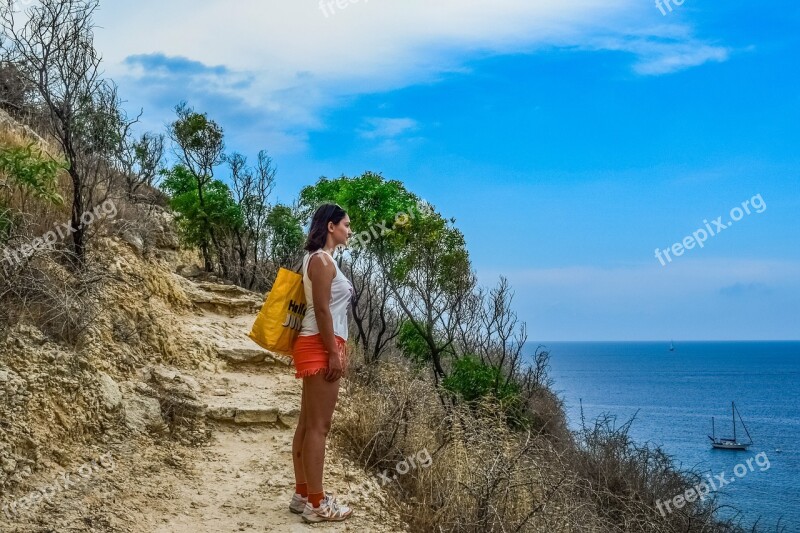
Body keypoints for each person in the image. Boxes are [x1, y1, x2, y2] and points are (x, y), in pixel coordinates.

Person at [288, 203, 355, 523]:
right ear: (331, 226)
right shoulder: (322, 261)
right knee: (319, 427)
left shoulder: (317, 260)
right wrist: (333, 352)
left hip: (314, 341)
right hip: (320, 343)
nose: (349, 230)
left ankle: (303, 494)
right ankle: (317, 504)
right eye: (346, 224)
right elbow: (324, 311)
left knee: (306, 423)